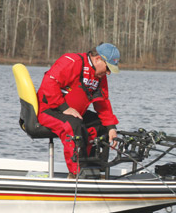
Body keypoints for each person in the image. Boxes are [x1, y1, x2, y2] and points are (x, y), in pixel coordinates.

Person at [37, 43, 121, 178]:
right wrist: (64, 108)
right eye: (108, 68)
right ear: (98, 59)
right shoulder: (71, 62)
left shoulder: (100, 76)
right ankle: (76, 173)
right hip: (48, 110)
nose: (109, 73)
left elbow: (103, 102)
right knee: (73, 125)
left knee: (101, 127)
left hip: (73, 113)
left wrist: (111, 127)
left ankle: (96, 170)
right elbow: (49, 83)